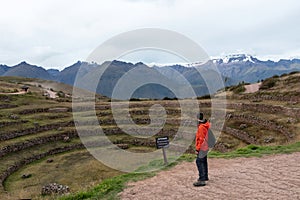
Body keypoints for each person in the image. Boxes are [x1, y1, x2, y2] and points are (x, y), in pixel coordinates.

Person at [193, 112, 210, 187]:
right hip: (205, 146)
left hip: (202, 147)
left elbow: (201, 139)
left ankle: (202, 179)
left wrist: (197, 149)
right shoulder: (205, 125)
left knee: (199, 162)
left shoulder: (201, 127)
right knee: (203, 161)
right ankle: (205, 176)